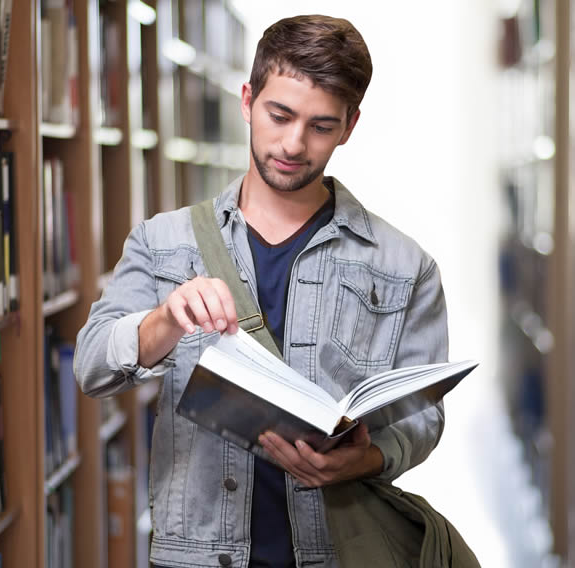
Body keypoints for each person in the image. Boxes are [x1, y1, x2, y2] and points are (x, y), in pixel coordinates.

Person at [75, 14, 449, 568]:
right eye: (280, 115)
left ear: (350, 125)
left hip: (337, 552)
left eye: (322, 126)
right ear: (248, 99)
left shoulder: (405, 265)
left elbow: (423, 417)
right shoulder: (164, 242)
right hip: (197, 555)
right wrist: (164, 321)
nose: (294, 143)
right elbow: (91, 367)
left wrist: (365, 459)